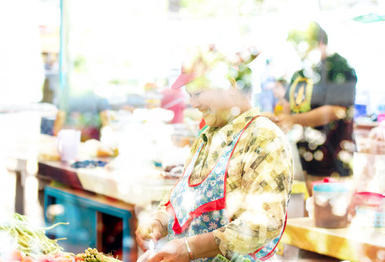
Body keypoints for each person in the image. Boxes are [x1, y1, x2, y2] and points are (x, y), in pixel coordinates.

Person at [135, 46, 294, 262]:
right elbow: (183, 195)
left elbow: (265, 221)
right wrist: (160, 220)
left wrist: (190, 248)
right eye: (190, 95)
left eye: (199, 93)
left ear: (229, 84)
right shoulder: (207, 137)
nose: (194, 104)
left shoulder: (263, 137)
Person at [274, 22, 357, 195]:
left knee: (327, 214)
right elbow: (286, 105)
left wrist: (292, 119)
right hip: (299, 159)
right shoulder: (300, 73)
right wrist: (279, 116)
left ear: (319, 43)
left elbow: (336, 111)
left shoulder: (339, 67)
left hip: (333, 159)